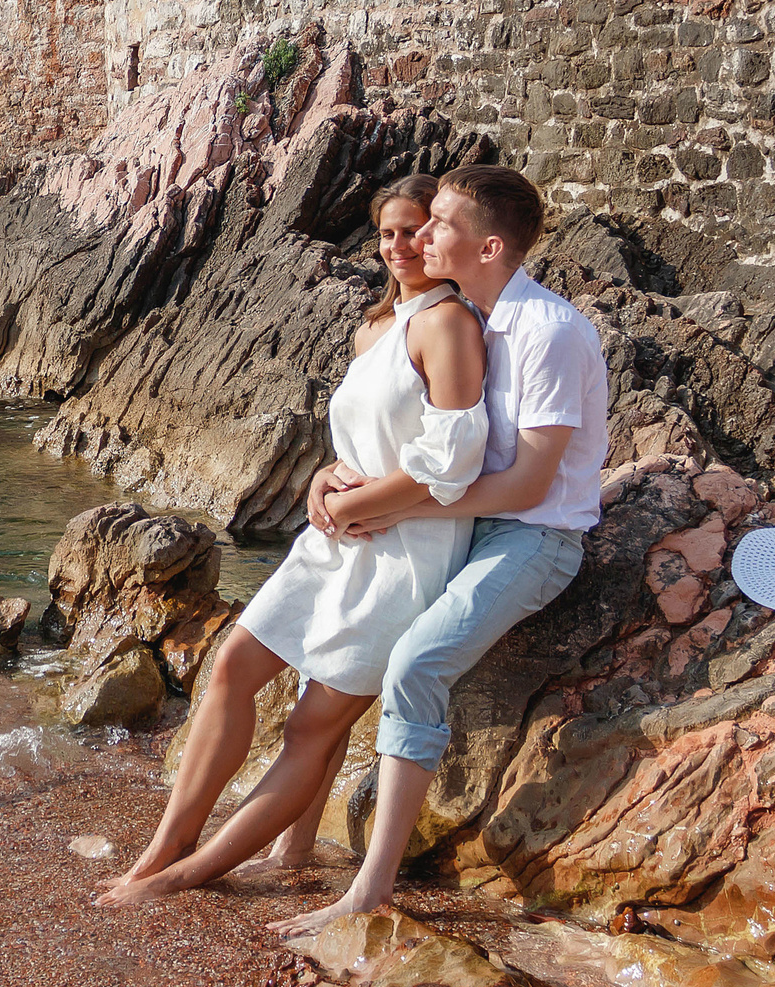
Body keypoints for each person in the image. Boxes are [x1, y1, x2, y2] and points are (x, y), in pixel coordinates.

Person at [96, 175, 488, 907]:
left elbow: (451, 463)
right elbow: (366, 439)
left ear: (440, 234)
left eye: (413, 230)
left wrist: (357, 501)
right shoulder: (376, 327)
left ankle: (186, 874)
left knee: (313, 725)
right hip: (336, 537)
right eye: (387, 233)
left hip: (405, 550)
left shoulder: (448, 325)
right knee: (231, 667)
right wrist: (323, 476)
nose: (399, 246)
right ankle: (167, 843)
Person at [268, 163, 609, 937]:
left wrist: (396, 506)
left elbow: (528, 483)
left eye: (439, 223)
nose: (420, 235)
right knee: (343, 641)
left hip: (534, 536)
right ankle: (292, 843)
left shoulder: (549, 331)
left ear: (488, 247)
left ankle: (371, 887)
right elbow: (408, 440)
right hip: (464, 527)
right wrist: (337, 481)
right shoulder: (468, 320)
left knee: (415, 664)